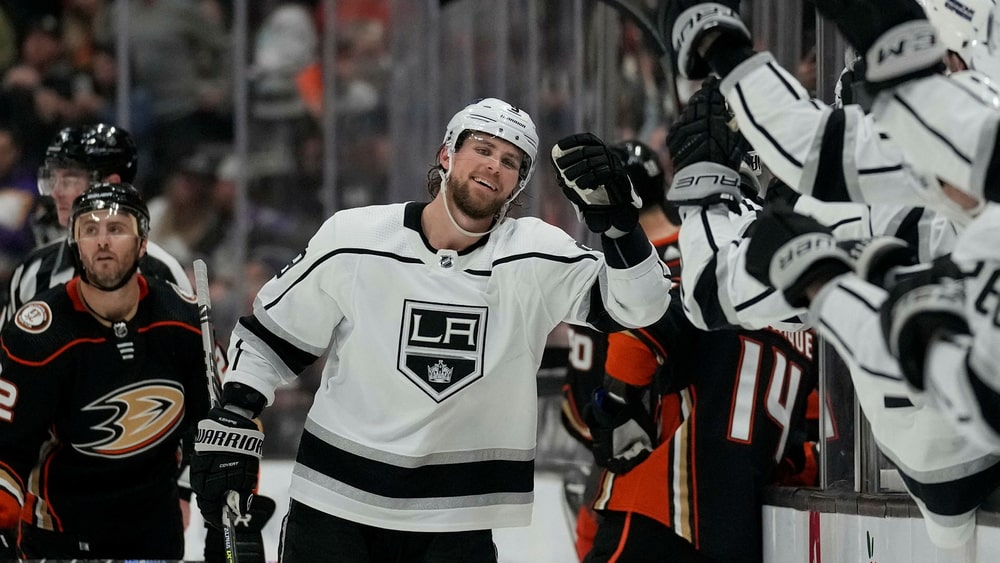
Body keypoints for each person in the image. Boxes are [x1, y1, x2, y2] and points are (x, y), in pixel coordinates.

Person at [189, 97, 673, 561]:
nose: (493, 166)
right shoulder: (354, 237)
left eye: (510, 161)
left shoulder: (535, 254)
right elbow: (270, 339)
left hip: (456, 521)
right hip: (335, 505)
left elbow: (642, 307)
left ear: (518, 184)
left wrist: (620, 229)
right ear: (447, 154)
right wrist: (236, 412)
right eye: (482, 148)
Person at [575, 87, 818, 563]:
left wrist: (614, 406)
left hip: (665, 506)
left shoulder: (710, 252)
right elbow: (809, 442)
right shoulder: (810, 302)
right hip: (737, 527)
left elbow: (646, 328)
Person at [0, 182, 211, 559]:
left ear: (143, 243)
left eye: (116, 229)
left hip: (155, 532)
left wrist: (230, 489)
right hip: (61, 537)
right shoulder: (38, 336)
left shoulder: (184, 320)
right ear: (75, 244)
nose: (102, 241)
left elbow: (218, 418)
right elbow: (7, 449)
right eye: (90, 229)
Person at [559, 138, 682, 559]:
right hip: (700, 465)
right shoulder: (705, 254)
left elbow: (581, 404)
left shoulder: (610, 273)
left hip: (627, 463)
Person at [0, 123, 192, 330]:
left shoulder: (161, 270)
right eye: (54, 179)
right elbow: (10, 348)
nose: (56, 192)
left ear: (110, 184)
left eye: (70, 181)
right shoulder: (33, 271)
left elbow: (191, 346)